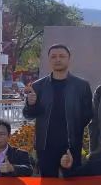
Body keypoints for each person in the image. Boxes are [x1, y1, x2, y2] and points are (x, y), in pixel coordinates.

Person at [22, 43, 94, 178]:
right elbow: (28, 115)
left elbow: (88, 114)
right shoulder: (38, 86)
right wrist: (31, 104)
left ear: (69, 59)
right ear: (49, 60)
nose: (58, 59)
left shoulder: (81, 86)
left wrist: (76, 129)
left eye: (62, 56)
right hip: (45, 146)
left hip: (72, 144)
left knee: (72, 183)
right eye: (53, 56)